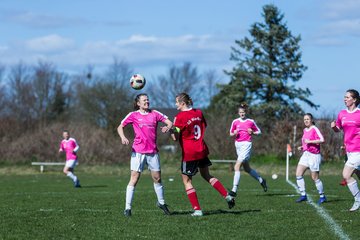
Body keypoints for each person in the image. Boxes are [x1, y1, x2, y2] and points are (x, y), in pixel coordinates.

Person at [171, 92, 235, 217]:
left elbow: (175, 137)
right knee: (206, 175)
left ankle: (197, 210)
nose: (175, 104)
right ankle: (227, 196)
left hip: (190, 152)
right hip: (201, 149)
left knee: (187, 181)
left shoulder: (180, 117)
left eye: (177, 102)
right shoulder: (199, 113)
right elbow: (203, 125)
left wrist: (171, 129)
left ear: (183, 103)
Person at [117, 93, 173, 217]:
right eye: (144, 100)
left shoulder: (155, 113)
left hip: (153, 151)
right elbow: (120, 127)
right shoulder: (133, 115)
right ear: (138, 103)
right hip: (138, 151)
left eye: (147, 100)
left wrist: (167, 127)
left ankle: (162, 203)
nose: (147, 102)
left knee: (157, 178)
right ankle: (127, 208)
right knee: (134, 178)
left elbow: (169, 122)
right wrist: (123, 137)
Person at [228, 103, 267, 198]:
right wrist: (234, 133)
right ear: (238, 113)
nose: (242, 114)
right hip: (238, 145)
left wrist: (252, 132)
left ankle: (234, 190)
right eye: (240, 112)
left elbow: (259, 132)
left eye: (243, 112)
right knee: (247, 168)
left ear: (246, 112)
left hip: (246, 144)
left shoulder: (250, 121)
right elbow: (230, 133)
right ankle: (261, 180)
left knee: (237, 166)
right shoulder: (235, 122)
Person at [331, 89, 360, 212]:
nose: (345, 99)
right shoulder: (342, 113)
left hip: (358, 151)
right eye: (344, 97)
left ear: (354, 99)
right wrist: (334, 128)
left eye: (347, 97)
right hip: (349, 151)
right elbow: (338, 128)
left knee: (346, 175)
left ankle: (358, 200)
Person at [295, 113, 326, 204]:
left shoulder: (314, 129)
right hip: (306, 155)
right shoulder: (305, 130)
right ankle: (303, 195)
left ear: (312, 120)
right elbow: (306, 142)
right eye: (304, 119)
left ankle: (322, 196)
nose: (306, 121)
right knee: (298, 174)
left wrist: (310, 142)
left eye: (308, 119)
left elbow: (322, 140)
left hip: (314, 156)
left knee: (314, 177)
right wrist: (302, 147)